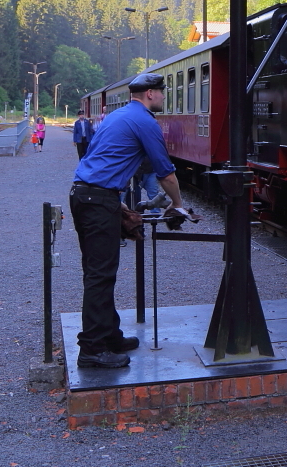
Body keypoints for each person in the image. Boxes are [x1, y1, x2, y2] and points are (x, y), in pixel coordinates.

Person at [69, 73, 194, 369]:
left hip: (86, 195)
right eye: (162, 92)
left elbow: (95, 157)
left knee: (100, 272)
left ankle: (109, 335)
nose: (163, 96)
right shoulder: (145, 121)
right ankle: (92, 349)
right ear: (150, 94)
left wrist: (115, 199)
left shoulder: (117, 115)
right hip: (97, 200)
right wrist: (177, 205)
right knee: (100, 275)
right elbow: (165, 173)